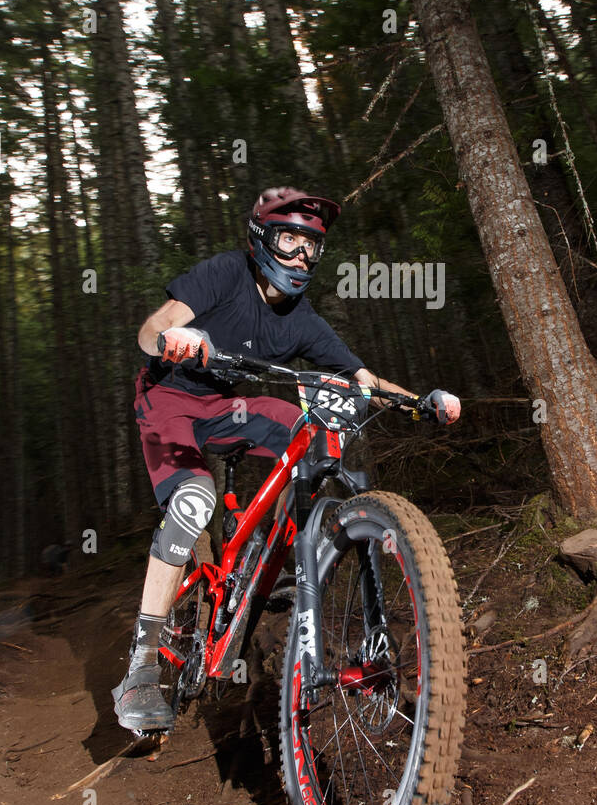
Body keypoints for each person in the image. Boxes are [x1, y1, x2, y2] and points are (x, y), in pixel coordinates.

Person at [112, 187, 461, 732]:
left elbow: (361, 379)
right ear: (261, 241)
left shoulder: (300, 318)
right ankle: (142, 664)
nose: (299, 256)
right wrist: (175, 337)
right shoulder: (224, 274)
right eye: (288, 240)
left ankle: (279, 559)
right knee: (192, 501)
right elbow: (151, 328)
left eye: (311, 247)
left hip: (232, 406)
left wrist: (418, 401)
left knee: (313, 428)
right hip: (170, 400)